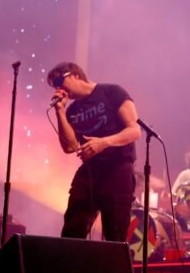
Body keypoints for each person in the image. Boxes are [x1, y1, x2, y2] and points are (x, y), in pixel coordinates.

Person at [47, 62, 141, 242]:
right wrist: (60, 111)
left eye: (59, 81)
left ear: (74, 75)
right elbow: (69, 147)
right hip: (90, 172)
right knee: (72, 231)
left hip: (117, 169)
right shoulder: (72, 110)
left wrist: (104, 143)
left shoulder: (112, 92)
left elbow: (134, 130)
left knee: (115, 235)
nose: (59, 88)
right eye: (54, 85)